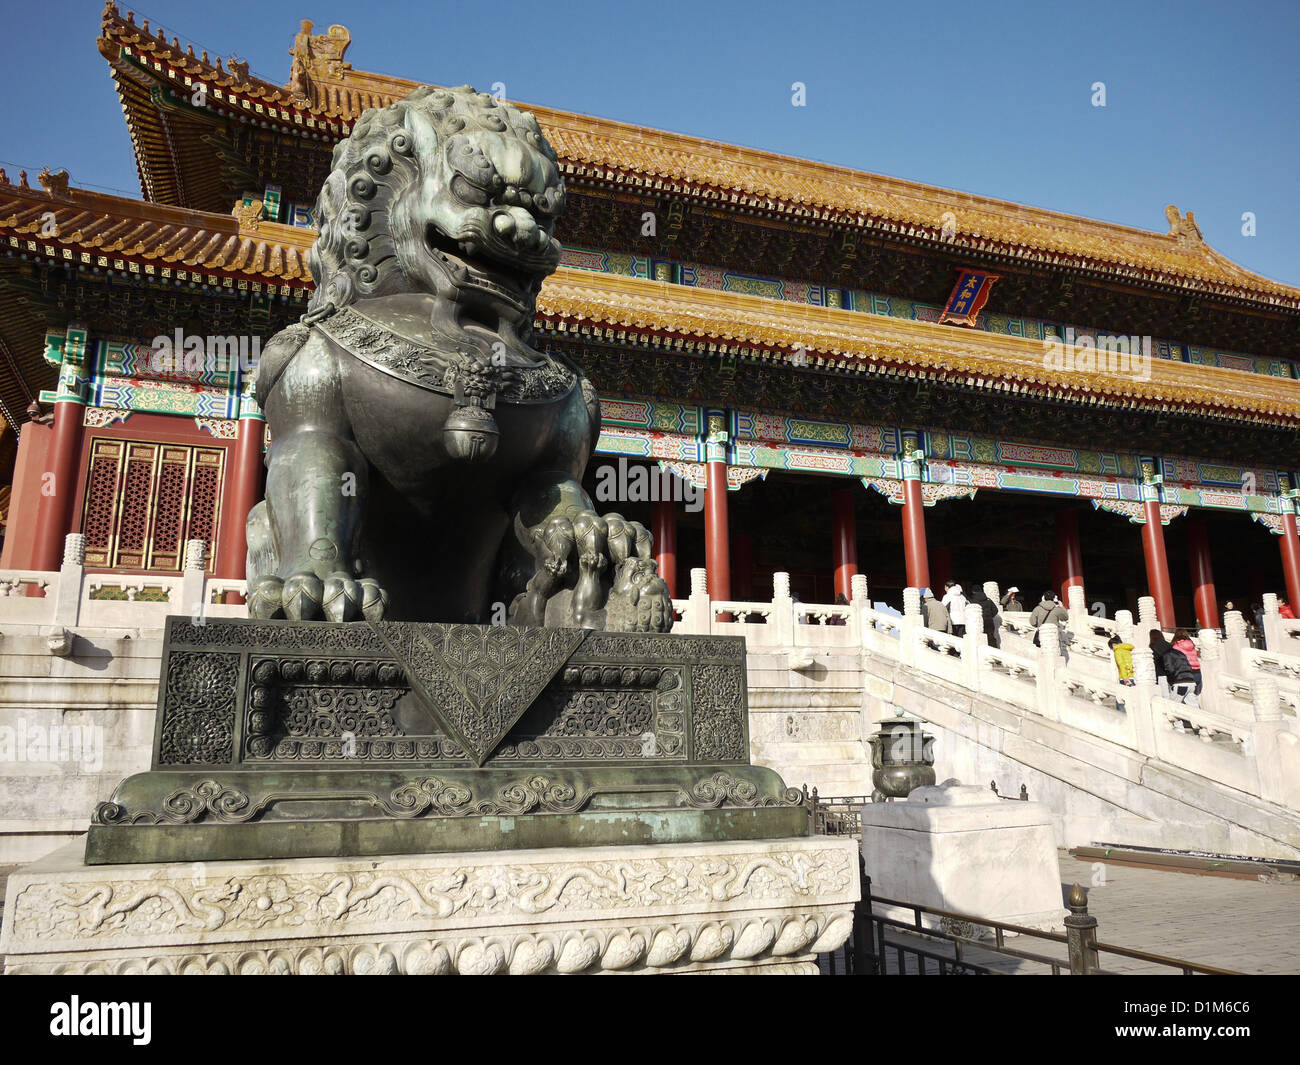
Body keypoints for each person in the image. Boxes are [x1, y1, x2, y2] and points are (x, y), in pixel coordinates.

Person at [1149, 629, 1198, 706]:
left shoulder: (1161, 652)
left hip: (1179, 683)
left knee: (1171, 706)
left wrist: (1171, 680)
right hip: (1191, 682)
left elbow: (1169, 668)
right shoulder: (1176, 651)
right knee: (1195, 708)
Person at [1171, 628, 1203, 695]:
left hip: (1185, 675)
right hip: (1197, 673)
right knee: (1193, 698)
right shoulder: (1192, 645)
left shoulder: (1175, 646)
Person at [970, 583, 1001, 648]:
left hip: (979, 622)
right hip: (989, 621)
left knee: (981, 637)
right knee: (991, 637)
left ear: (973, 591)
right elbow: (995, 610)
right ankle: (994, 650)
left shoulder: (973, 601)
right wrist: (989, 616)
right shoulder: (988, 600)